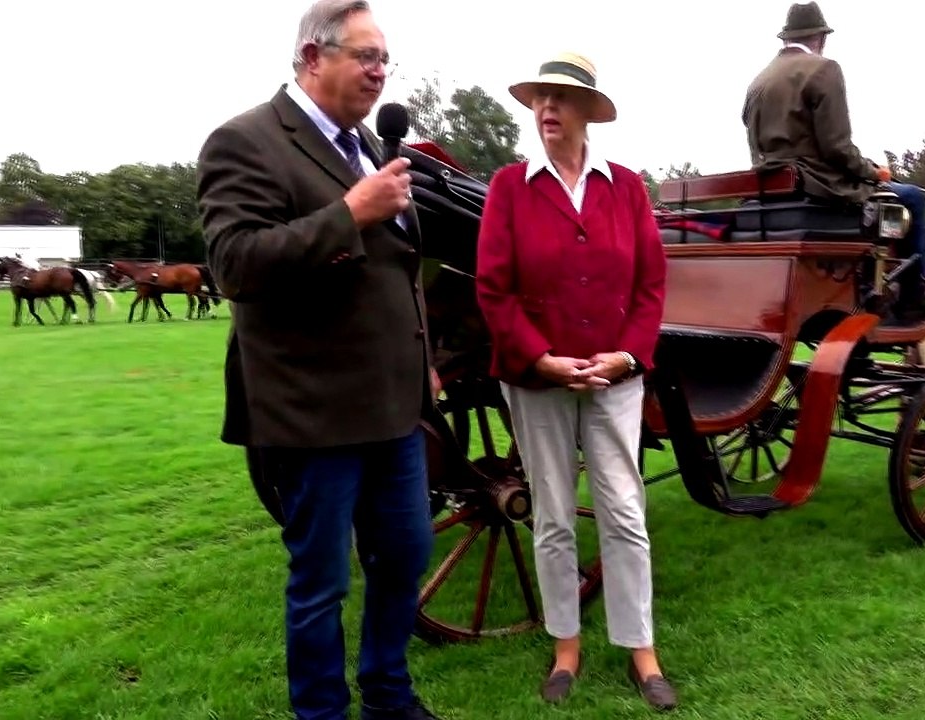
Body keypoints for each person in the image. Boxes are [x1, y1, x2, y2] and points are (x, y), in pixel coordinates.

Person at [194, 1, 440, 719]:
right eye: (365, 56)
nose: (379, 71)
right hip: (311, 413)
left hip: (394, 406)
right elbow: (234, 265)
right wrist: (350, 213)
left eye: (384, 59)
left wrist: (420, 353)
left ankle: (389, 696)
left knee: (402, 560)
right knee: (321, 583)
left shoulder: (367, 144)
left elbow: (400, 267)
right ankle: (322, 713)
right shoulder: (245, 141)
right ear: (311, 57)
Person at [475, 52, 676, 711]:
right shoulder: (510, 187)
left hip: (616, 378)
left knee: (624, 511)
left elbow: (650, 285)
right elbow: (494, 290)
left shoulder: (625, 186)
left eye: (561, 99)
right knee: (555, 516)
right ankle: (566, 644)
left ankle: (641, 648)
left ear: (590, 111)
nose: (547, 110)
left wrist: (627, 356)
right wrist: (540, 359)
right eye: (539, 99)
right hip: (538, 382)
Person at [741, 1, 925, 322]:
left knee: (891, 200)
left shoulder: (758, 81)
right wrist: (874, 172)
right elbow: (837, 148)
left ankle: (880, 284)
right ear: (820, 37)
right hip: (817, 188)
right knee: (910, 197)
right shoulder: (823, 69)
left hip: (771, 194)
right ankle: (915, 296)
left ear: (786, 38)